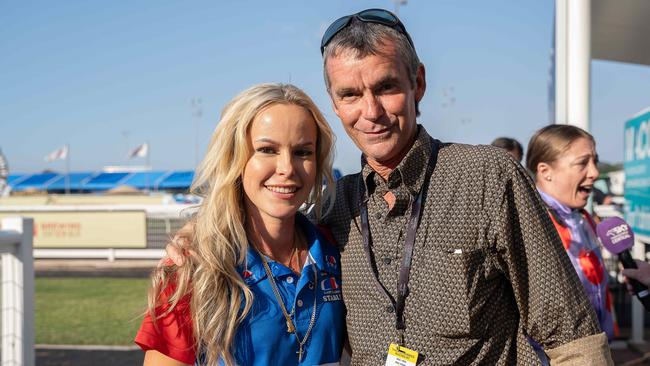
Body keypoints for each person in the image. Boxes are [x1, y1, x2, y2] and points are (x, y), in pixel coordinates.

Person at [168, 9, 613, 364]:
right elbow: (265, 227)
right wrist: (200, 238)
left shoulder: (487, 177)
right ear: (335, 105)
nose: (371, 111)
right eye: (350, 95)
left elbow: (572, 337)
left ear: (417, 82)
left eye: (386, 87)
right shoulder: (334, 211)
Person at [135, 83, 344, 366]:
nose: (287, 168)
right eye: (267, 149)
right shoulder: (191, 266)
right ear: (235, 157)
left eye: (302, 152)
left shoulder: (338, 249)